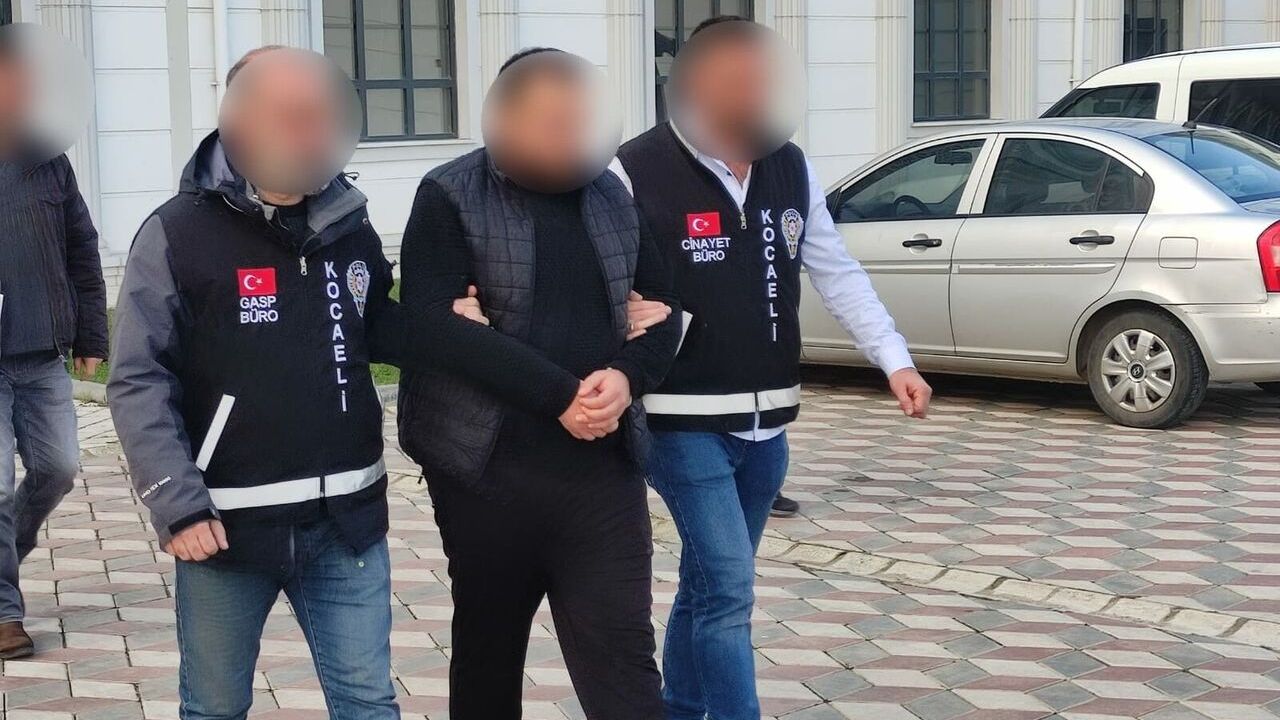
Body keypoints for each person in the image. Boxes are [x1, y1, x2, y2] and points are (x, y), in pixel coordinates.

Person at [106, 47, 484, 720]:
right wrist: (178, 505)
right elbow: (138, 379)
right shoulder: (176, 234)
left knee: (368, 702)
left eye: (322, 118)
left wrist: (452, 329)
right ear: (240, 122)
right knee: (215, 708)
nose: (312, 134)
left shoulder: (346, 220)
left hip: (347, 524)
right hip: (224, 529)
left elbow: (374, 326)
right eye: (292, 117)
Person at [610, 16, 934, 720]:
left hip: (768, 426)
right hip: (680, 420)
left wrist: (894, 359)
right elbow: (595, 280)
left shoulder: (789, 164)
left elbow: (835, 271)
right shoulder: (632, 169)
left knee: (711, 586)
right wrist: (623, 317)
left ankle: (678, 707)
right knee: (729, 590)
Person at [395, 48, 680, 720]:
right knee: (489, 653)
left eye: (579, 120)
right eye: (552, 122)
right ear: (505, 117)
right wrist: (561, 398)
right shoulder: (448, 195)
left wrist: (625, 378)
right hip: (487, 471)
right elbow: (433, 328)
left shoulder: (611, 194)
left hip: (601, 472)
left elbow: (665, 312)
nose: (569, 136)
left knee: (623, 654)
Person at [0, 38, 107, 659]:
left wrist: (91, 333)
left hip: (40, 352)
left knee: (58, 468)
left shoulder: (48, 161)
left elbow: (81, 247)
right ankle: (4, 612)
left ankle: (6, 554)